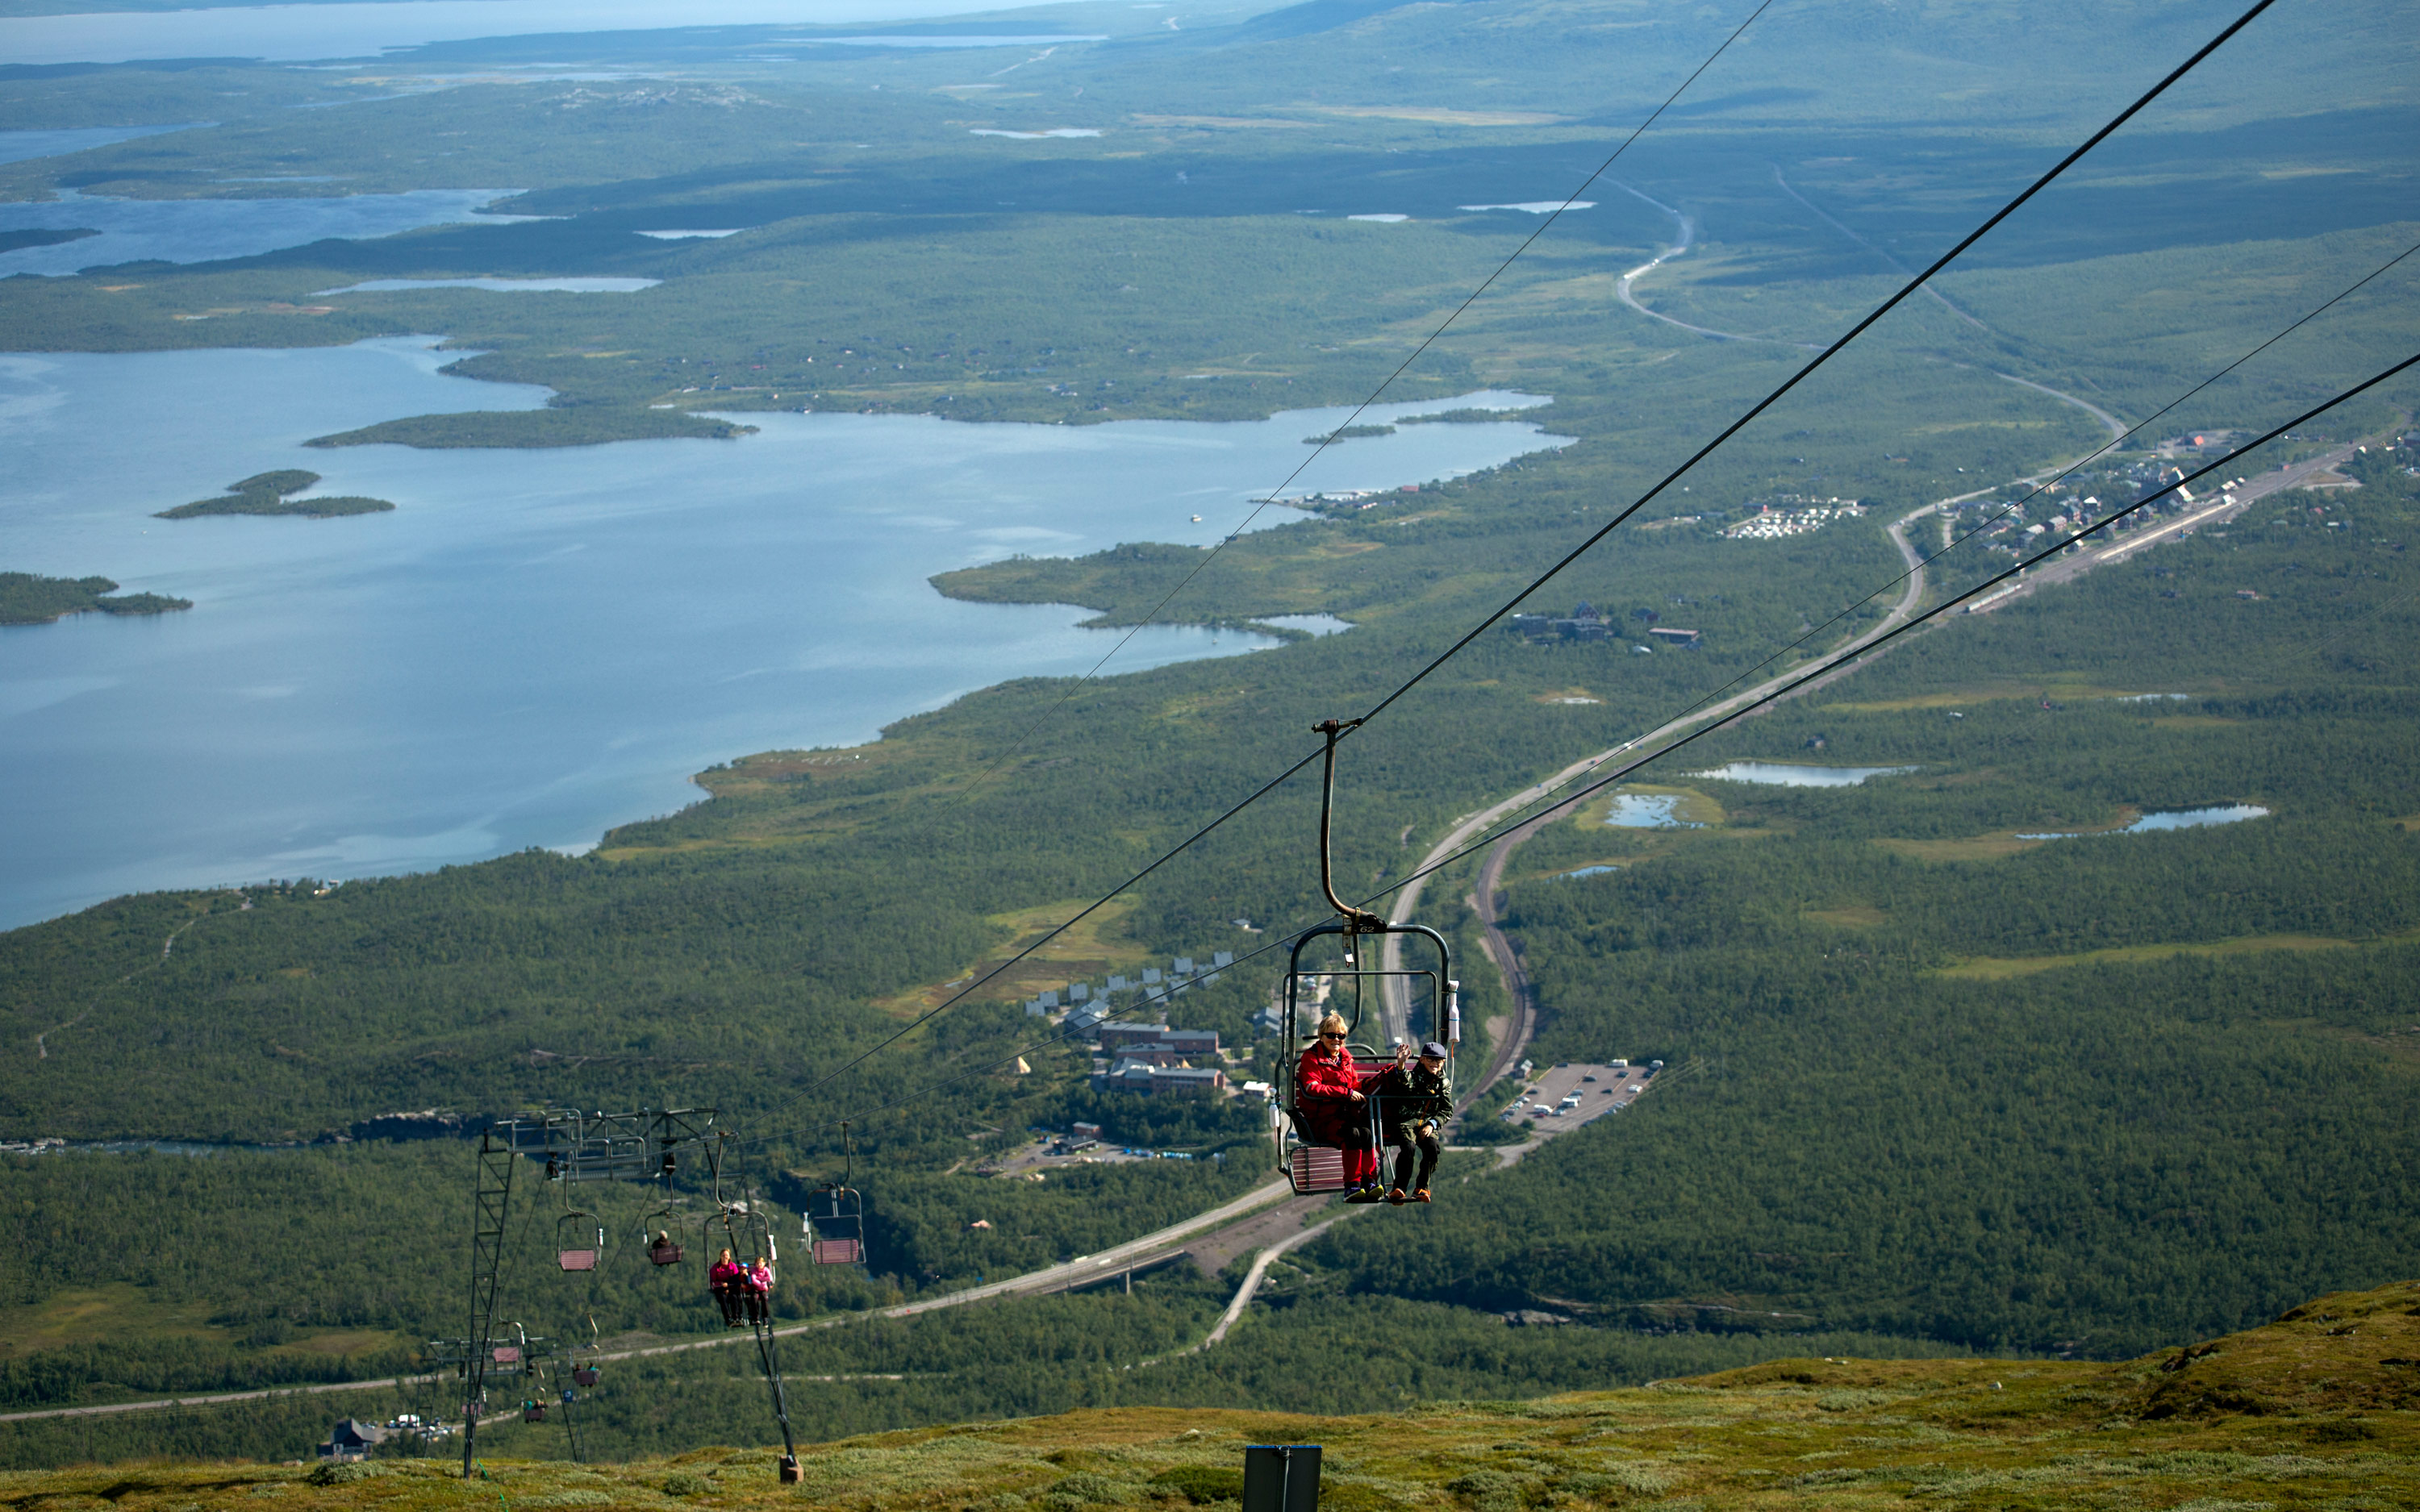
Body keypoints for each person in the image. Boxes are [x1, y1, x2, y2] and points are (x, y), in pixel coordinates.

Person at [1295, 1011, 1384, 1201]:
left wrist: (1369, 1086)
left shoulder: (1344, 1060)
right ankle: (1352, 1185)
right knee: (1352, 1135)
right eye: (1331, 1035)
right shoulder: (1311, 1059)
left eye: (1340, 1036)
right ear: (1322, 1036)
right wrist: (1346, 1093)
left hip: (1345, 1116)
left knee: (1366, 1133)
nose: (1336, 1039)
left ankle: (1369, 1181)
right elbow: (1313, 1088)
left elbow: (1352, 1085)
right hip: (1322, 1121)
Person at [1368, 1040, 1453, 1203]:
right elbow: (1406, 1083)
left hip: (1427, 1123)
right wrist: (1401, 1064)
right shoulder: (1415, 1077)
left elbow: (1447, 1109)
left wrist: (1432, 1124)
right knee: (1408, 1147)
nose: (1435, 1063)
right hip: (1406, 1121)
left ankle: (1422, 1187)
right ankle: (1399, 1187)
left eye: (1439, 1060)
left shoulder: (1443, 1083)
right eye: (1431, 1059)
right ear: (1422, 1060)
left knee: (1432, 1149)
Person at [708, 1248, 745, 1328]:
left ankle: (737, 1317)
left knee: (735, 1297)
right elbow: (713, 1280)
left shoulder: (732, 1266)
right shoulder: (716, 1267)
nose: (725, 1257)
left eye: (726, 1255)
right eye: (723, 1255)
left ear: (729, 1257)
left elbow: (736, 1278)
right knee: (723, 1298)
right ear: (720, 1256)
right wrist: (721, 1284)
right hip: (720, 1288)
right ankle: (728, 1318)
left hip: (731, 1287)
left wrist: (728, 1285)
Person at [745, 1255, 774, 1327]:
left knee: (765, 1298)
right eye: (757, 1263)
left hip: (763, 1289)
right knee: (754, 1298)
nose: (759, 1265)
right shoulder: (754, 1270)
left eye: (760, 1263)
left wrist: (760, 1279)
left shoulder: (766, 1270)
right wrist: (761, 1282)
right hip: (756, 1288)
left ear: (764, 1263)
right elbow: (754, 1280)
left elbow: (769, 1278)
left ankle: (765, 1317)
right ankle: (756, 1317)